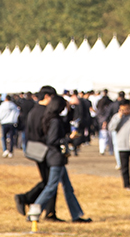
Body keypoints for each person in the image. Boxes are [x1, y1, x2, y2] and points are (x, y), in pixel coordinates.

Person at [25, 94, 91, 223]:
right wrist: (69, 139)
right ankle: (33, 212)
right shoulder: (54, 121)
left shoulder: (52, 118)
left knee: (68, 188)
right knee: (51, 187)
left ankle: (76, 215)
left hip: (56, 158)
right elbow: (53, 140)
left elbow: (66, 122)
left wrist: (73, 108)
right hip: (55, 158)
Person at [15, 86, 60, 221]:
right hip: (45, 149)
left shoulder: (33, 111)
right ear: (47, 96)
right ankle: (27, 199)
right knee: (50, 182)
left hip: (34, 149)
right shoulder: (46, 112)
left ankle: (49, 211)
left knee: (48, 181)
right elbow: (47, 133)